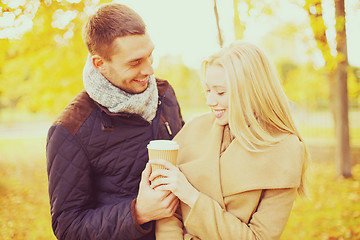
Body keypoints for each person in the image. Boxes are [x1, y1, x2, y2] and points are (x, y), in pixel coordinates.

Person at [46, 3, 184, 240]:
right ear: (100, 64)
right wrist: (137, 213)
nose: (149, 69)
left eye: (150, 55)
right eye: (135, 62)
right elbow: (68, 228)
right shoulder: (69, 129)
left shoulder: (164, 94)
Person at [150, 41, 310, 240]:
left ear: (252, 91)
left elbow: (258, 237)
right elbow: (168, 210)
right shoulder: (194, 129)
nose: (210, 101)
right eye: (207, 90)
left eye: (221, 92)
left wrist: (192, 196)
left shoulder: (285, 149)